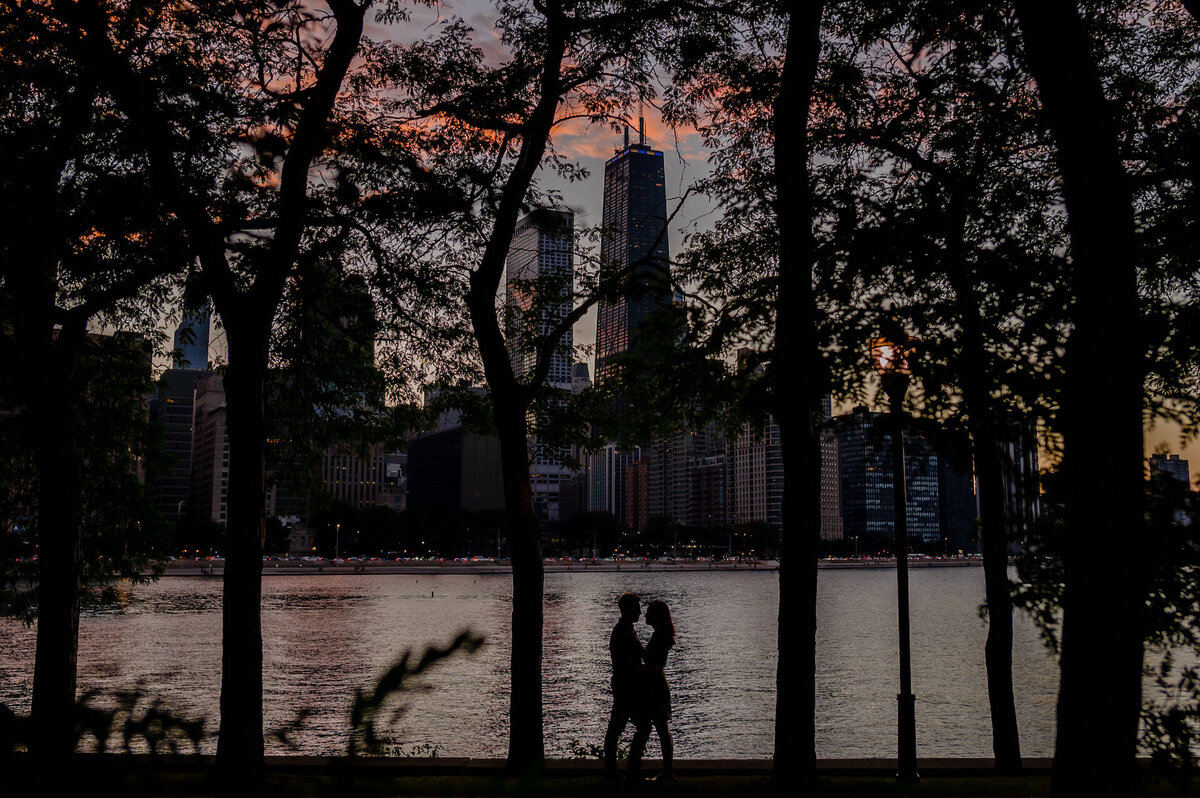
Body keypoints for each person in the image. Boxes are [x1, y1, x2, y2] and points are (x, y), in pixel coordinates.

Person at [629, 599, 675, 781]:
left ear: (656, 616)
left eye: (648, 612)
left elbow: (654, 666)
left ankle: (667, 771)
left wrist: (635, 669)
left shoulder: (659, 636)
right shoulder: (660, 634)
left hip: (655, 687)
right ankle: (667, 770)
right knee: (662, 728)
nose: (645, 615)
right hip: (655, 686)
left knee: (661, 729)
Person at [604, 592, 644, 778]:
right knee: (639, 726)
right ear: (629, 610)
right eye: (637, 608)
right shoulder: (624, 631)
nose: (640, 612)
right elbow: (628, 661)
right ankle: (630, 768)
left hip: (625, 684)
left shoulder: (624, 629)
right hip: (627, 685)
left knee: (618, 727)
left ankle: (615, 769)